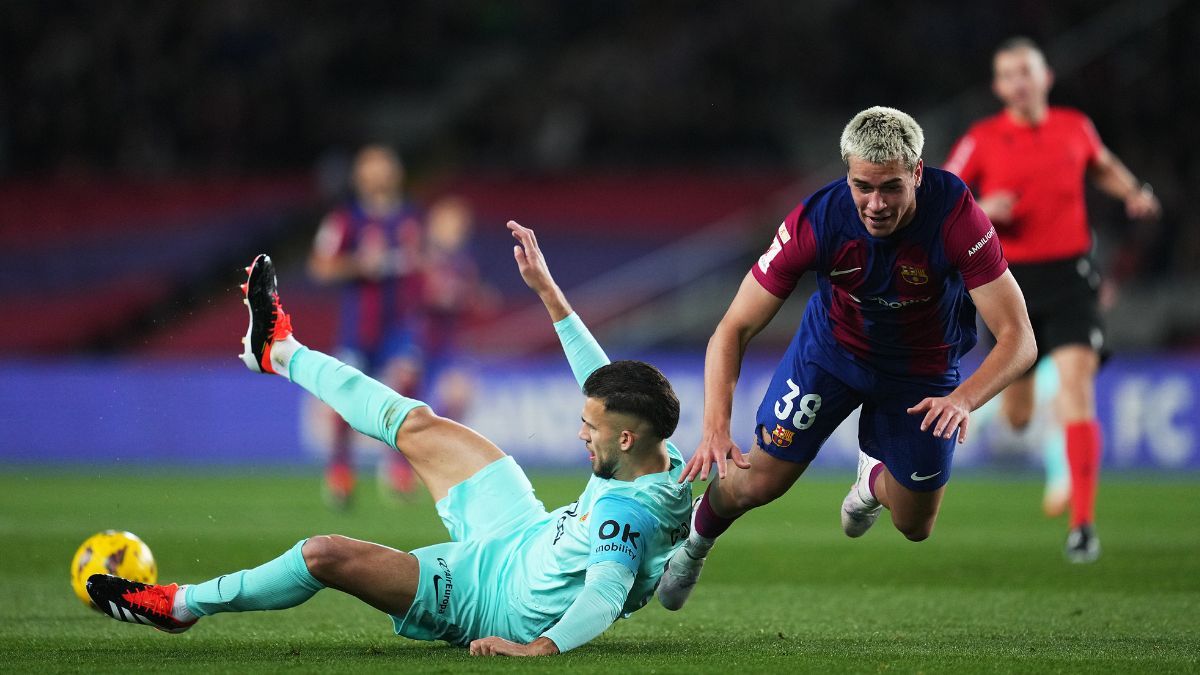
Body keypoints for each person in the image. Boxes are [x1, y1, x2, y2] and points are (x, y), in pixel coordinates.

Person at [86, 221, 693, 656]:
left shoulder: (622, 512)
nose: (580, 430)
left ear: (624, 439)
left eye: (590, 427)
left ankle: (180, 605)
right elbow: (602, 383)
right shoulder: (657, 455)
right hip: (522, 531)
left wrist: (539, 649)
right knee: (417, 423)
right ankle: (279, 349)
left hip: (488, 601)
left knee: (322, 554)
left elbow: (604, 596)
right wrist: (547, 292)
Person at [656, 106, 1036, 611]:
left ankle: (871, 481)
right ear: (847, 175)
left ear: (917, 174)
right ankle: (693, 547)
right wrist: (715, 427)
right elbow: (734, 328)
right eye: (863, 186)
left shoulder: (957, 217)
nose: (876, 203)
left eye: (891, 188)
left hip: (920, 374)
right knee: (759, 483)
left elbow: (1019, 338)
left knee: (914, 526)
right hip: (831, 354)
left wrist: (963, 399)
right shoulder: (817, 221)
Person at [944, 37, 1161, 562]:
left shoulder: (1074, 127)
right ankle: (1043, 431)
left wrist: (1132, 190)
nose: (1019, 81)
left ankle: (1082, 525)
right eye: (1008, 74)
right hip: (1007, 285)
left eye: (1027, 71)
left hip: (1071, 279)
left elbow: (1102, 163)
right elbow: (944, 195)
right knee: (1017, 416)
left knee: (1077, 387)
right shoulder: (982, 138)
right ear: (998, 87)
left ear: (1046, 77)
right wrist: (981, 206)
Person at [308, 145, 424, 508]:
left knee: (404, 387)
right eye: (371, 168)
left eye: (384, 167)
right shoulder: (345, 220)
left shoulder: (411, 219)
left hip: (400, 325)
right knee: (345, 400)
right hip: (359, 328)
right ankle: (341, 470)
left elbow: (427, 262)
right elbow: (320, 267)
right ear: (359, 177)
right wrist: (359, 265)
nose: (378, 175)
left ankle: (397, 469)